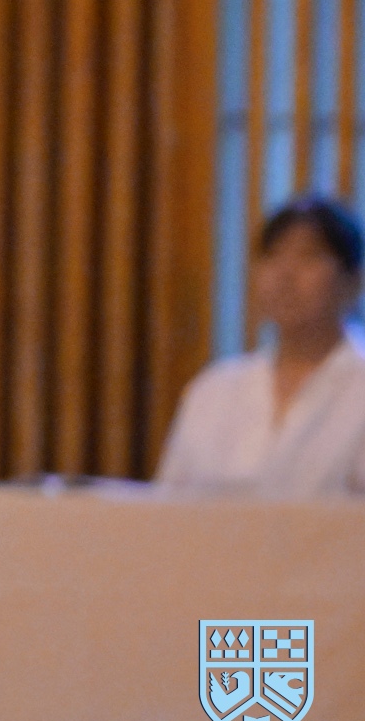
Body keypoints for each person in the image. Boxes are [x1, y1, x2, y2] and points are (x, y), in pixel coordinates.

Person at [156, 195, 365, 497]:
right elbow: (167, 504)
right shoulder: (216, 388)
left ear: (353, 281)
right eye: (273, 256)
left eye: (308, 256)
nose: (285, 274)